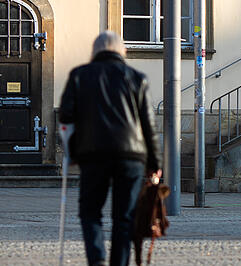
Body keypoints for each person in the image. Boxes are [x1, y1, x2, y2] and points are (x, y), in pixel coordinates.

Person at [59, 31, 163, 266]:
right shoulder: (137, 78)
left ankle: (97, 260)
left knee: (90, 211)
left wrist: (73, 152)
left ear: (94, 51)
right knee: (124, 216)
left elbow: (66, 116)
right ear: (121, 51)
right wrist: (155, 164)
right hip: (131, 156)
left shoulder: (79, 75)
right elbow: (149, 125)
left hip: (93, 154)